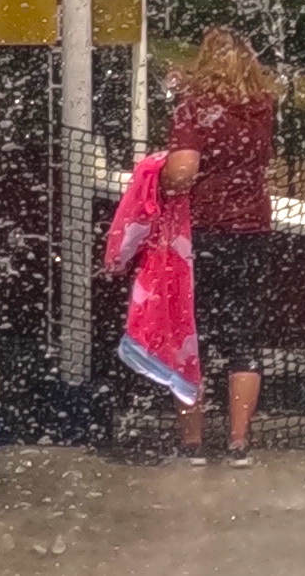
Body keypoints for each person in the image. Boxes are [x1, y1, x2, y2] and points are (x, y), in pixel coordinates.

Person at [174, 27, 278, 462]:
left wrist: (157, 174)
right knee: (243, 335)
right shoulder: (261, 109)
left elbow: (183, 172)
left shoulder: (194, 111)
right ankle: (238, 441)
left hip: (202, 230)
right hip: (251, 231)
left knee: (189, 333)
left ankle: (192, 442)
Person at [100, 120, 201, 444]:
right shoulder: (250, 126)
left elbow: (135, 224)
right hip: (235, 239)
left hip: (176, 265)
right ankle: (238, 442)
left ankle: (192, 443)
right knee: (233, 348)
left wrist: (117, 260)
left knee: (186, 342)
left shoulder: (156, 175)